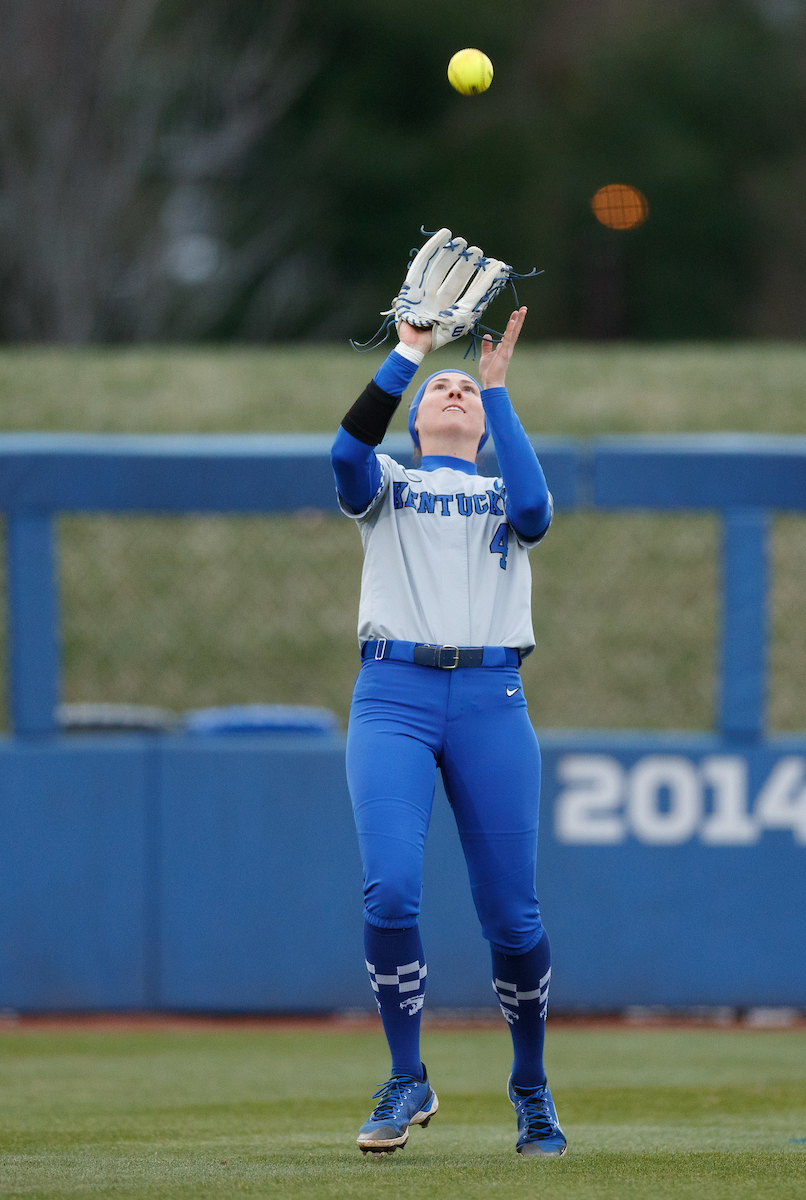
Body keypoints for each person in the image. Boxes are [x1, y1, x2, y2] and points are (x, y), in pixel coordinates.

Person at [330, 305, 566, 1158]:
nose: (456, 389)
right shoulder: (388, 482)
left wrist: (499, 392)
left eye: (466, 385)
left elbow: (537, 510)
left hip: (490, 696)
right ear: (419, 414)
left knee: (512, 917)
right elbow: (345, 454)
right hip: (392, 691)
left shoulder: (506, 490)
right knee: (390, 887)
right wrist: (409, 355)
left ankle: (530, 1084)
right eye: (445, 388)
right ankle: (406, 1075)